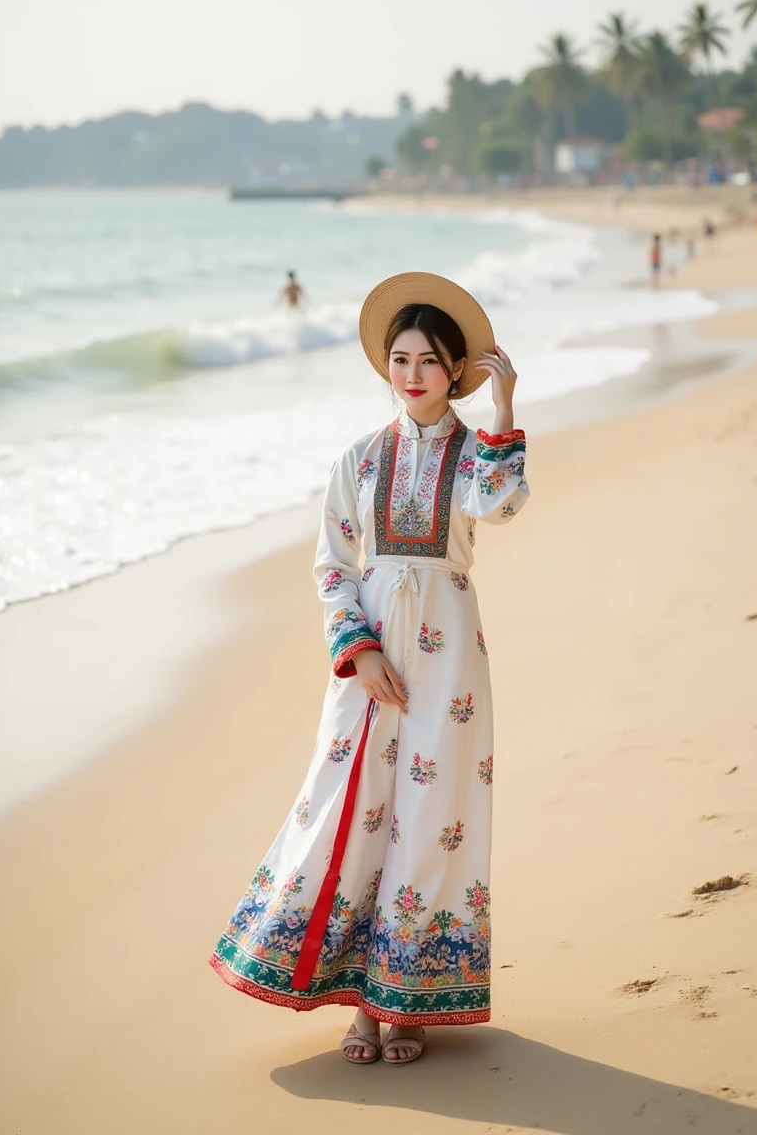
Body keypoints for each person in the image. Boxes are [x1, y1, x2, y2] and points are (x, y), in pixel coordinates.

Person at [209, 272, 528, 1066]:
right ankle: (358, 1002)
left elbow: (501, 506)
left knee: (431, 815)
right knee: (349, 810)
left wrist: (505, 410)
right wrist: (361, 650)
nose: (412, 372)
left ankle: (406, 1001)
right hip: (373, 656)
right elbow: (331, 564)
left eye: (428, 359)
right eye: (400, 357)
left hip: (450, 656)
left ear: (456, 368)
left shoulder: (471, 453)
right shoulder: (359, 458)